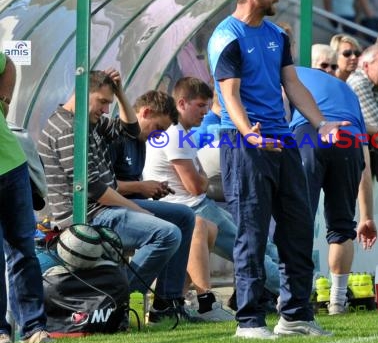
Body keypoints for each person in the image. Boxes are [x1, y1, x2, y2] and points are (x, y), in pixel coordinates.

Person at [208, 0, 343, 339]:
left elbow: (292, 84)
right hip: (243, 142)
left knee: (299, 227)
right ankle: (249, 321)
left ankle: (296, 315)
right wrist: (247, 133)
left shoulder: (276, 35)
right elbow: (229, 94)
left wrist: (321, 123)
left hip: (282, 140)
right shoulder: (226, 36)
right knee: (252, 232)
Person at [37, 70, 194, 324]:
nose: (105, 109)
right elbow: (93, 190)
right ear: (82, 93)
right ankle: (116, 298)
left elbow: (131, 131)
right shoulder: (68, 129)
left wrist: (120, 93)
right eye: (102, 101)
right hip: (87, 215)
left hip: (104, 207)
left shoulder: (89, 121)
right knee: (167, 233)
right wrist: (137, 208)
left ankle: (167, 303)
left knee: (184, 217)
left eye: (108, 103)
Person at [143, 77, 281, 321]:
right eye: (200, 105)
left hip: (192, 207)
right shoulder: (175, 134)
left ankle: (167, 306)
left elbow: (200, 180)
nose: (205, 111)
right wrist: (203, 179)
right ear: (182, 103)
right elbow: (196, 186)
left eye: (207, 105)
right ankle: (299, 290)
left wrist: (203, 179)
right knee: (252, 248)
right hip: (192, 207)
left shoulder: (181, 133)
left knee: (259, 245)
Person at [110, 89, 235, 322]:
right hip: (109, 209)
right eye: (158, 128)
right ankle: (124, 297)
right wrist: (143, 187)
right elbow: (99, 186)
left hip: (135, 203)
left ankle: (169, 302)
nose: (159, 135)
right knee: (189, 224)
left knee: (201, 224)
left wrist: (148, 188)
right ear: (145, 113)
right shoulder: (116, 137)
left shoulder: (142, 140)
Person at [291, 66, 377, 315]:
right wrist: (367, 217)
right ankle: (338, 301)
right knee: (342, 227)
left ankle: (296, 297)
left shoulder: (287, 72)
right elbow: (366, 170)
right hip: (347, 138)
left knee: (297, 223)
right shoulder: (348, 92)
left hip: (311, 133)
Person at [0, 54, 52, 343]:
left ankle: (33, 328)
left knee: (23, 249)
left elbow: (6, 63)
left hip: (12, 165)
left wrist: (4, 99)